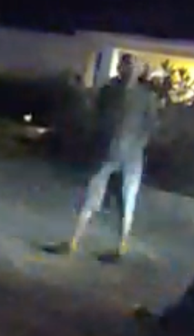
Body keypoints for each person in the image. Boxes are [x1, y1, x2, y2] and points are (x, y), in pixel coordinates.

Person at [45, 54, 162, 262]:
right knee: (91, 196)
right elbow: (96, 117)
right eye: (125, 66)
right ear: (120, 68)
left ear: (139, 71)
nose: (128, 71)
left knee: (126, 203)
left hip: (131, 157)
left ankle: (120, 247)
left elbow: (151, 127)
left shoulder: (146, 97)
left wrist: (138, 145)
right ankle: (73, 241)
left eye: (133, 67)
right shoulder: (109, 92)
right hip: (106, 153)